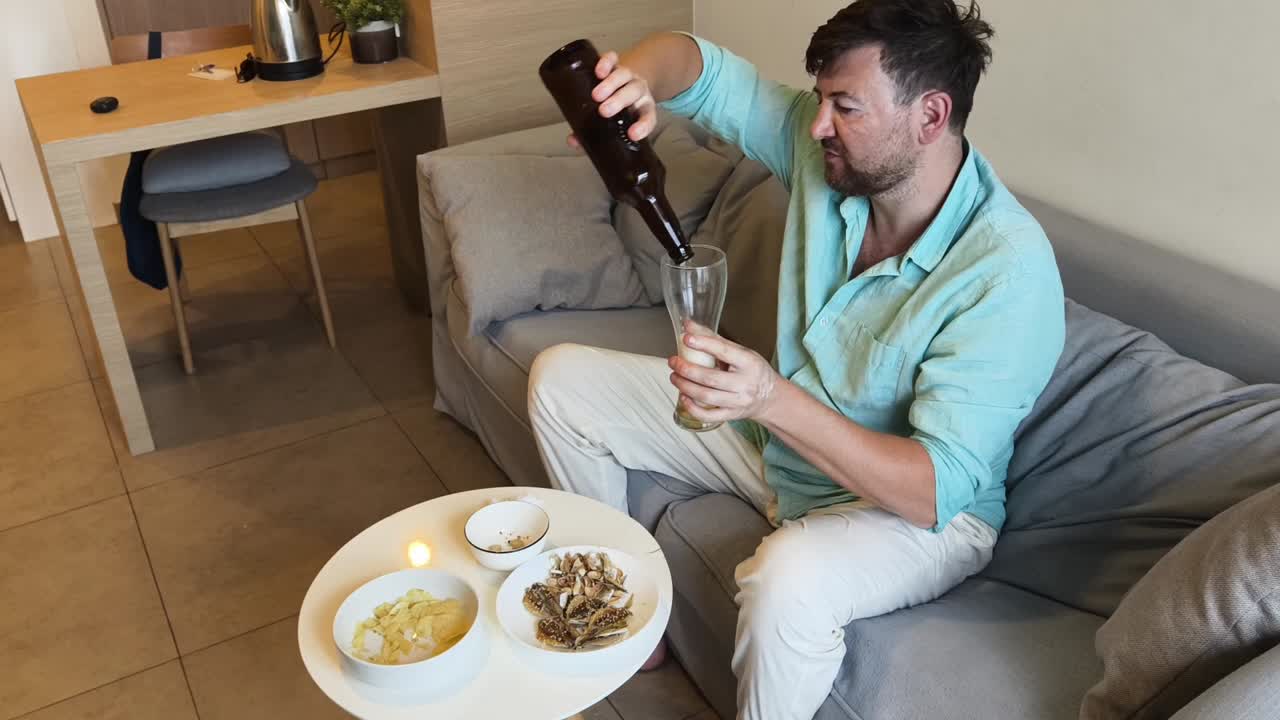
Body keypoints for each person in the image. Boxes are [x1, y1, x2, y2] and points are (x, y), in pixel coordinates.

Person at [527, 1, 1065, 718]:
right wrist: (636, 80)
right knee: (560, 381)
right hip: (777, 447)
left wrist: (767, 398)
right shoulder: (828, 158)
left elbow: (932, 492)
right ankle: (622, 623)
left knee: (789, 577)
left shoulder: (1007, 271)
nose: (817, 126)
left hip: (917, 518)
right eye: (819, 101)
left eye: (845, 107)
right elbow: (697, 65)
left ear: (930, 117)